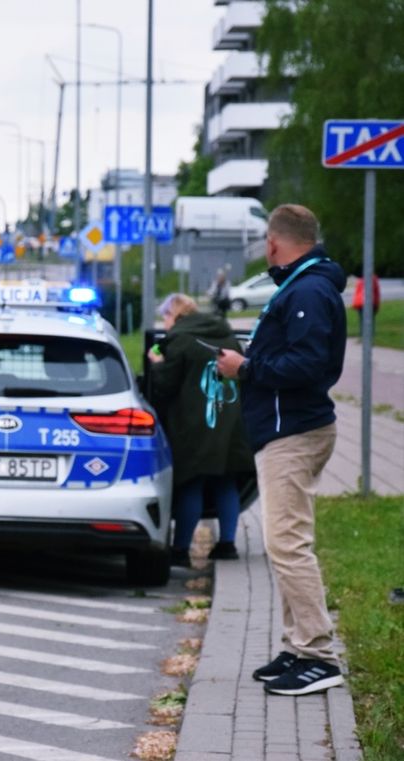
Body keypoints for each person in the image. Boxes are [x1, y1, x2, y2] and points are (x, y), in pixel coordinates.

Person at [215, 203, 347, 697]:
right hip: (288, 427)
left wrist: (245, 369)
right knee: (286, 542)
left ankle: (318, 654)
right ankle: (296, 645)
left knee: (287, 545)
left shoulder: (308, 290)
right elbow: (294, 355)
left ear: (274, 242)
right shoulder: (306, 285)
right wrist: (249, 358)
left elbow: (308, 364)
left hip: (293, 431)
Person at [147, 293, 253, 568]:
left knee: (191, 483)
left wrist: (156, 363)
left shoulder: (179, 341)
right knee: (226, 481)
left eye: (166, 317)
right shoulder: (227, 336)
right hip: (229, 421)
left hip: (192, 424)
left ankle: (181, 550)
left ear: (176, 315)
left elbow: (165, 387)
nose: (165, 323)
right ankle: (227, 545)